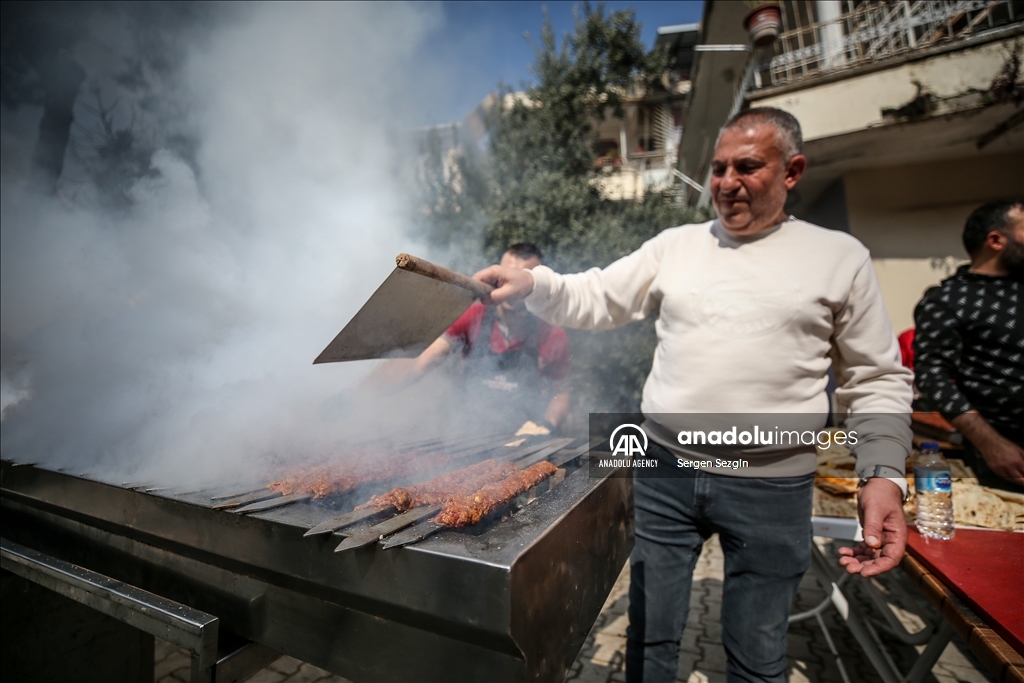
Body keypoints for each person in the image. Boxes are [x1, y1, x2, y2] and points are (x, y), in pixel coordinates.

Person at [476, 108, 913, 683]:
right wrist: (536, 283)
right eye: (718, 168)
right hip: (664, 472)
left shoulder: (839, 257)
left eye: (747, 167)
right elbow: (599, 294)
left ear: (792, 171)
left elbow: (877, 376)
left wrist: (882, 473)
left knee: (757, 654)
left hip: (773, 483)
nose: (726, 182)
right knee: (650, 637)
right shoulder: (677, 246)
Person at [374, 243, 570, 435]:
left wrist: (547, 425)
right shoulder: (473, 316)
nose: (512, 288)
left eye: (521, 279)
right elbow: (419, 363)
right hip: (469, 434)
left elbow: (560, 392)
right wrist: (359, 393)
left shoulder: (551, 332)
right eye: (508, 277)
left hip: (522, 439)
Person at [913, 200, 1024, 491]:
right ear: (996, 240)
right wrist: (993, 444)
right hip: (1011, 457)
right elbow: (933, 377)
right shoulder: (948, 301)